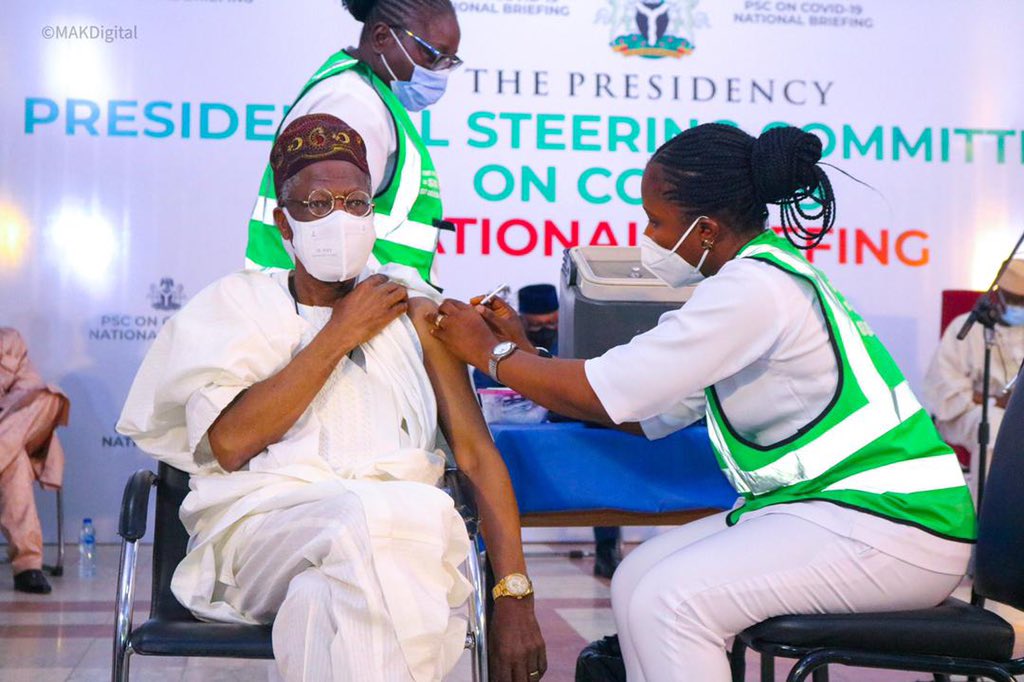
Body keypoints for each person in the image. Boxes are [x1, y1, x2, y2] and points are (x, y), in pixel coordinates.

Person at [427, 123, 976, 681]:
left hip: (895, 526)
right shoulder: (760, 280)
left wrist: (490, 353)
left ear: (706, 229)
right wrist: (525, 356)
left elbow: (606, 389)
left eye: (656, 222)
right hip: (837, 512)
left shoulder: (753, 289)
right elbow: (639, 411)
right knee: (636, 577)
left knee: (670, 600)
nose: (648, 236)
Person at [119, 114, 545, 682]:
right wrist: (339, 333)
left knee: (322, 602)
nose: (340, 219)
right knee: (385, 514)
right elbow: (230, 444)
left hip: (396, 545)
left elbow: (475, 454)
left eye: (356, 203)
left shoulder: (417, 314)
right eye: (318, 204)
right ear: (284, 222)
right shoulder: (236, 305)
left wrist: (514, 594)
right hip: (262, 534)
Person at [246, 0, 461, 289]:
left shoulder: (371, 97)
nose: (439, 72)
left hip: (350, 304)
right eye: (433, 55)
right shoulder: (351, 103)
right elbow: (331, 239)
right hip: (331, 308)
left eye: (449, 62)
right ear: (381, 37)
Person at [477, 284, 624, 579]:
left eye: (551, 323)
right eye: (536, 325)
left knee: (603, 470)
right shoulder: (500, 346)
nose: (545, 329)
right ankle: (498, 562)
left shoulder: (574, 343)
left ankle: (607, 548)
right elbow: (486, 385)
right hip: (522, 435)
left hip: (575, 428)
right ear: (522, 320)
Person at [923, 260, 1024, 477]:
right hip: (966, 414)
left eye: (1023, 302)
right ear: (997, 294)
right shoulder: (965, 327)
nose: (1019, 308)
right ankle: (990, 499)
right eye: (1013, 300)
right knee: (994, 426)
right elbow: (946, 388)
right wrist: (995, 402)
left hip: (1018, 414)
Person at [0, 328, 68, 594]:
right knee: (14, 465)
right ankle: (27, 567)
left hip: (16, 425)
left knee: (49, 397)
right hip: (14, 449)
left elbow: (28, 389)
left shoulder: (10, 340)